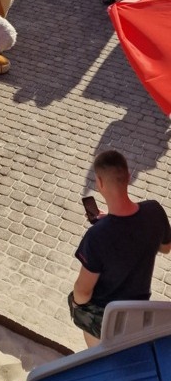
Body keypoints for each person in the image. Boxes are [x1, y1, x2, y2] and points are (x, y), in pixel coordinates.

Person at [69, 149, 171, 347]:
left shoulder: (96, 237)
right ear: (128, 177)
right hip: (138, 312)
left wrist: (75, 304)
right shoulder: (155, 211)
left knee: (78, 304)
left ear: (99, 183)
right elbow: (166, 248)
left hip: (107, 317)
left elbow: (83, 292)